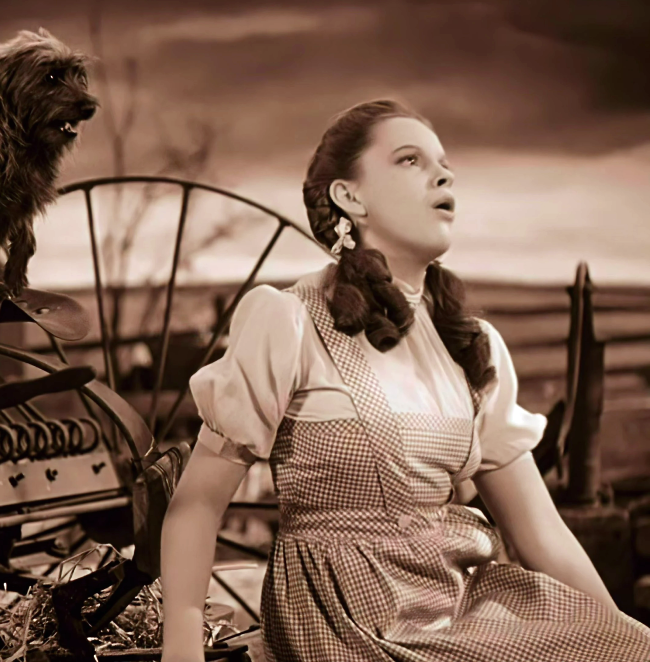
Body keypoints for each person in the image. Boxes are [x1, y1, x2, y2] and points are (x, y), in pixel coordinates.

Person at [159, 99, 650, 661]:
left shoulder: (472, 348)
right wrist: (183, 644)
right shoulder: (290, 321)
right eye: (410, 160)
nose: (443, 174)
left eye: (443, 163)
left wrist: (621, 640)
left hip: (463, 607)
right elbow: (196, 505)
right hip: (346, 626)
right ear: (349, 197)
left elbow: (541, 536)